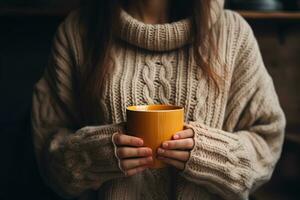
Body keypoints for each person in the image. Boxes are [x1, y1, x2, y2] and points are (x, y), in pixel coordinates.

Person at [31, 0, 286, 199]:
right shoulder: (78, 33)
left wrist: (212, 153)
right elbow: (48, 151)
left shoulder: (232, 35)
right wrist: (93, 155)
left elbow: (267, 140)